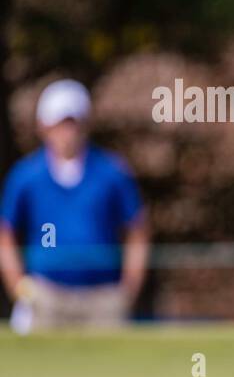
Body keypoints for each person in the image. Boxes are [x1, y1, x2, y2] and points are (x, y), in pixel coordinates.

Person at [0, 79, 149, 333]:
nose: (66, 132)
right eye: (60, 124)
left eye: (73, 123)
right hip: (46, 296)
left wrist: (129, 288)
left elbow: (137, 229)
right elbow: (6, 234)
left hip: (103, 298)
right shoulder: (26, 176)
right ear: (44, 126)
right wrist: (19, 287)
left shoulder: (112, 172)